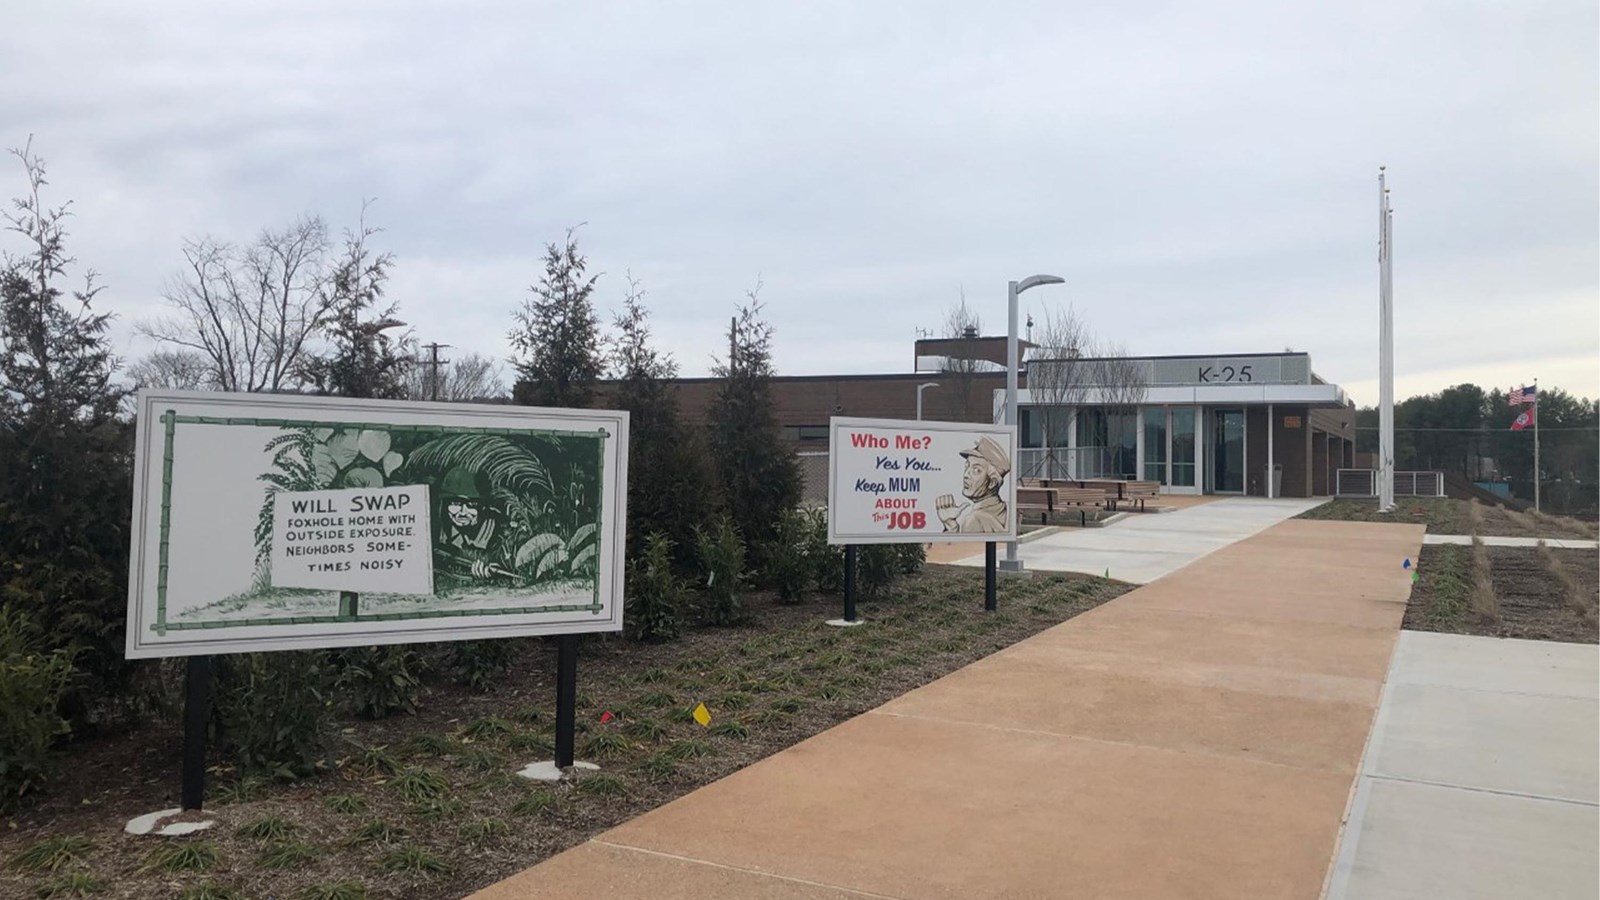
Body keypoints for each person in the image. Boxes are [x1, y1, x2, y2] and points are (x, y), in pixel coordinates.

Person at [434, 467, 515, 586]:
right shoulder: (439, 532)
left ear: (484, 506)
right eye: (455, 503)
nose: (462, 512)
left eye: (471, 504)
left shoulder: (503, 533)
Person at [935, 437, 1011, 533]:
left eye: (976, 470)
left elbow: (959, 547)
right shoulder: (1008, 510)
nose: (966, 475)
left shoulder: (973, 520)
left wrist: (951, 529)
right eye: (967, 466)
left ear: (992, 483)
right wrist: (951, 526)